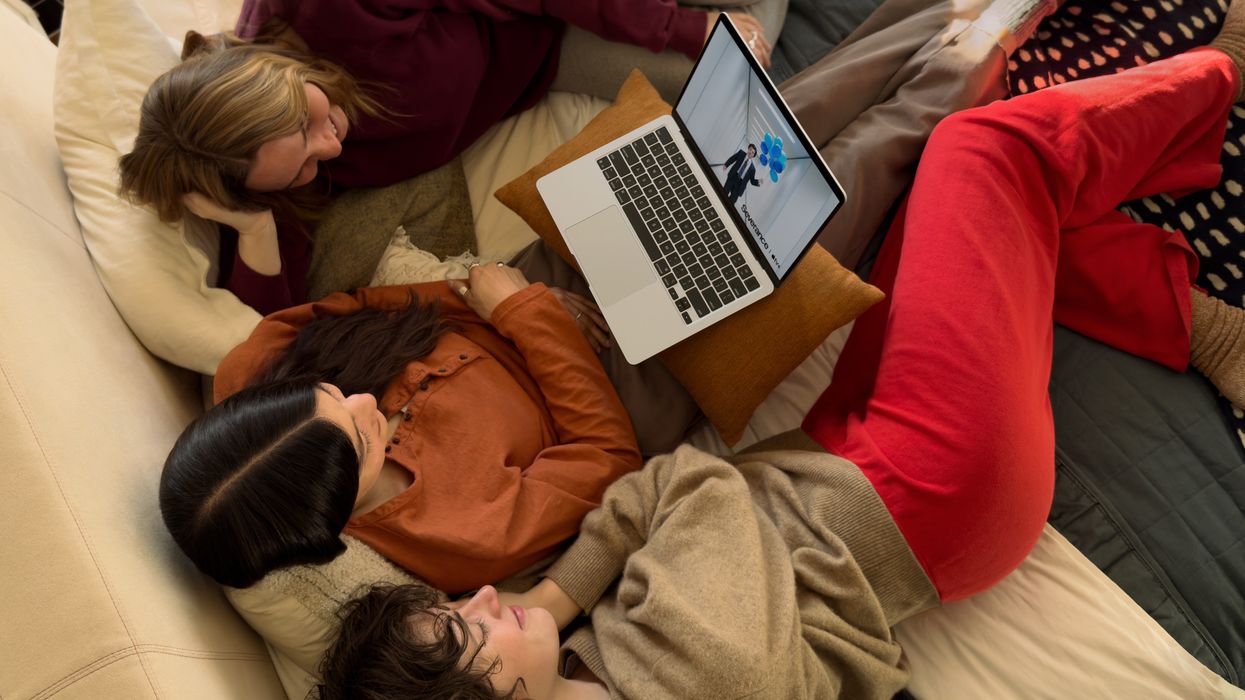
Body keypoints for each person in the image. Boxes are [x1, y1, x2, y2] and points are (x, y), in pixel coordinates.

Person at [312, 23, 1245, 700]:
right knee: (982, 152)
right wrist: (564, 590)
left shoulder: (599, 659)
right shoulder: (695, 663)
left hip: (848, 471)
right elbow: (678, 486)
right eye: (464, 628)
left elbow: (657, 500)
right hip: (923, 487)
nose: (478, 599)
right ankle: (1219, 79)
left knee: (923, 216)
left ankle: (1187, 320)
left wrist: (557, 603)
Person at [117, 2, 773, 316]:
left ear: (270, 72)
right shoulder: (277, 182)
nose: (332, 145)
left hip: (556, 14)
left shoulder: (324, 10)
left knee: (734, 37)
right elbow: (270, 322)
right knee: (742, 87)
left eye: (307, 118)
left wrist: (686, 27)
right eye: (306, 166)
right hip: (546, 62)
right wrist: (250, 222)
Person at [159, 260, 665, 595]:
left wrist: (482, 294)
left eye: (329, 392)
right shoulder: (465, 538)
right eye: (361, 439)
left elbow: (361, 304)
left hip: (500, 291)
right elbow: (609, 456)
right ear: (331, 518)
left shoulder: (249, 372)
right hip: (610, 376)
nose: (363, 401)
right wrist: (529, 318)